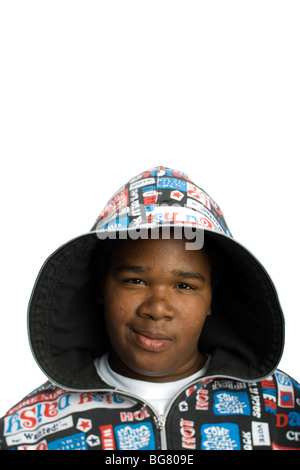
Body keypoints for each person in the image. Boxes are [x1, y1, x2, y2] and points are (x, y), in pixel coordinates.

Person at [0, 165, 299, 451]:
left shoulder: (284, 409)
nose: (157, 309)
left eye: (184, 286)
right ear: (101, 287)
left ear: (211, 299)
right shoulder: (27, 432)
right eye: (136, 281)